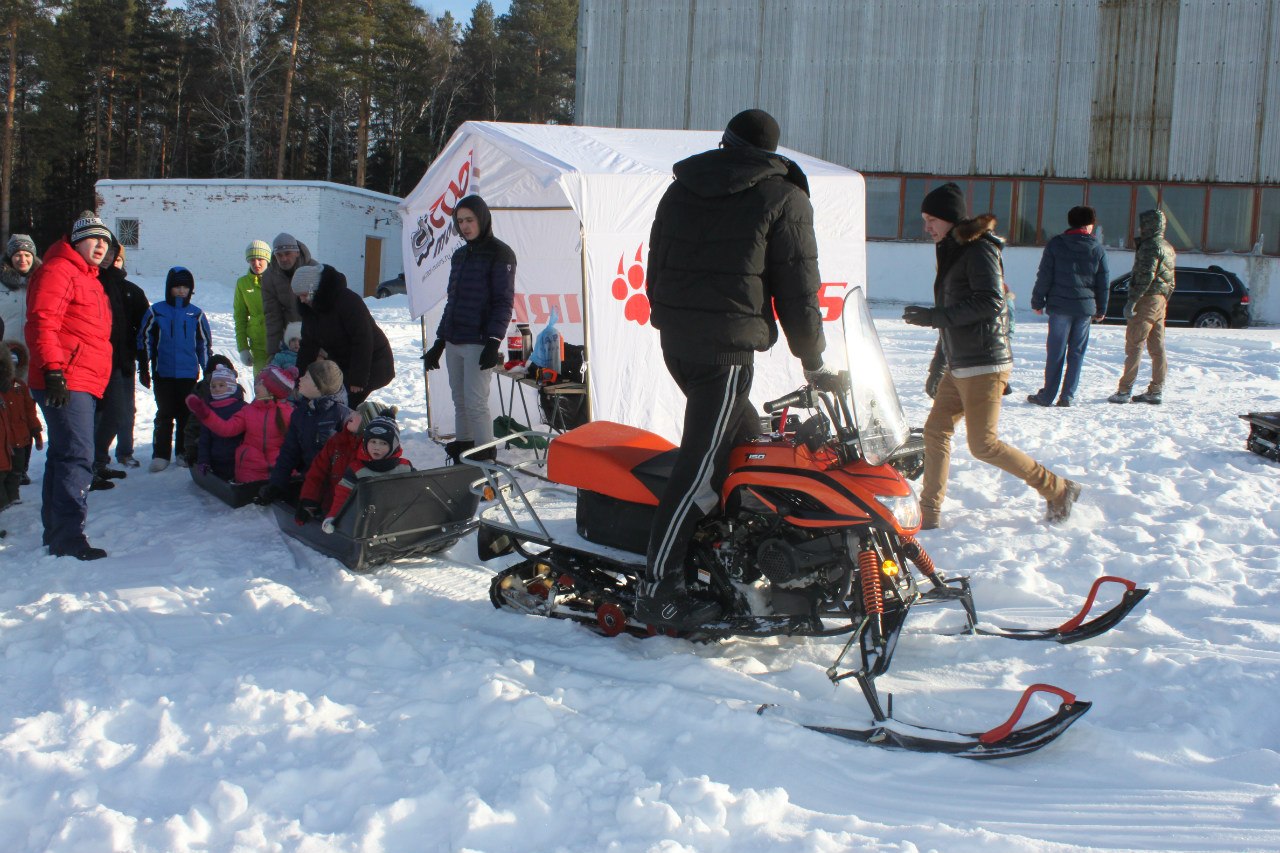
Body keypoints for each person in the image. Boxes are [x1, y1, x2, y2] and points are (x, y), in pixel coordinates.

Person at [633, 108, 835, 630]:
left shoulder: (682, 188)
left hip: (678, 343)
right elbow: (798, 290)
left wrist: (674, 319)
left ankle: (726, 557)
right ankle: (658, 590)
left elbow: (654, 267)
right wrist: (812, 359)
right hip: (724, 355)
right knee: (700, 471)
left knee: (743, 443)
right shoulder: (783, 197)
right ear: (771, 150)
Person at [903, 183, 1080, 530]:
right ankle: (930, 511)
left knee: (983, 444)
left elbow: (990, 301)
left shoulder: (979, 249)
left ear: (950, 219)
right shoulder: (952, 250)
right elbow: (951, 310)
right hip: (961, 363)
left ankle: (1059, 489)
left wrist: (934, 317)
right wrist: (939, 365)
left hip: (985, 363)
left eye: (931, 219)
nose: (926, 227)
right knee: (935, 430)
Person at [25, 211, 115, 560]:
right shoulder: (59, 270)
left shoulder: (89, 278)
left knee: (65, 454)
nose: (101, 245)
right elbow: (42, 321)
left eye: (105, 240)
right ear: (77, 240)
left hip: (81, 378)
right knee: (77, 456)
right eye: (94, 238)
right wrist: (53, 371)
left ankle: (57, 532)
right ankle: (67, 537)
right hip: (65, 378)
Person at [422, 195, 516, 462]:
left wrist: (494, 341)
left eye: (469, 220)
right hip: (454, 340)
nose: (464, 226)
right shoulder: (460, 256)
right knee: (460, 402)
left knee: (476, 403)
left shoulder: (501, 253)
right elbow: (453, 302)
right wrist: (439, 343)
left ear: (482, 219)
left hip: (479, 341)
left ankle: (485, 457)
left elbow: (503, 301)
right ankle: (465, 452)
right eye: (460, 221)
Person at [1027, 206, 1111, 408]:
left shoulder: (1056, 244)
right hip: (1084, 309)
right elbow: (1103, 281)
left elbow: (1044, 274)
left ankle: (1047, 396)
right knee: (1077, 352)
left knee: (1056, 351)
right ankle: (1067, 396)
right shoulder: (1097, 248)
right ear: (1089, 224)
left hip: (1060, 306)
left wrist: (1038, 301)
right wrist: (1102, 308)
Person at [138, 266, 212, 472]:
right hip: (164, 373)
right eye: (177, 287)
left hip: (188, 373)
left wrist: (207, 370)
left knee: (186, 414)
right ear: (169, 288)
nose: (181, 291)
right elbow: (145, 339)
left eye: (185, 287)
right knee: (165, 413)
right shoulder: (157, 311)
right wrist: (144, 364)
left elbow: (203, 343)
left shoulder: (195, 314)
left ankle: (183, 451)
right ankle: (160, 454)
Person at [291, 263, 394, 408]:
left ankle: (359, 425)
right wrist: (298, 377)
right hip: (341, 364)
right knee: (335, 402)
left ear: (315, 290)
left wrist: (357, 378)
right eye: (298, 296)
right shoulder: (310, 308)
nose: (301, 300)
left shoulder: (348, 301)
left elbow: (363, 339)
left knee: (344, 405)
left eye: (304, 295)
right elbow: (308, 345)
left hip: (373, 363)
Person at [1109, 208, 1177, 405]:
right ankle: (1156, 390)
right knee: (1157, 347)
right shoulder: (1168, 247)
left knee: (1135, 345)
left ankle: (1124, 390)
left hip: (1146, 298)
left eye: (1142, 224)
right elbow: (1171, 281)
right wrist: (1164, 299)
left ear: (1148, 225)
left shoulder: (1150, 246)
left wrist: (1133, 300)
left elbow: (1145, 276)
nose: (1139, 228)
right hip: (1160, 300)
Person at [186, 364, 296, 484]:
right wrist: (206, 414)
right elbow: (227, 429)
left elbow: (297, 442)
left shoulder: (288, 413)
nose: (256, 386)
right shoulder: (248, 410)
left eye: (260, 384)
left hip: (280, 468)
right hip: (251, 469)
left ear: (272, 390)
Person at [93, 240, 149, 474]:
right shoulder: (94, 285)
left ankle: (124, 451)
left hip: (123, 360)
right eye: (108, 256)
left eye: (116, 258)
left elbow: (144, 329)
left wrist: (143, 362)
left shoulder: (132, 291)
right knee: (100, 412)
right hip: (96, 361)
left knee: (125, 409)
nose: (111, 261)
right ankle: (98, 457)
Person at [261, 360, 350, 503]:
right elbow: (289, 452)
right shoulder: (301, 413)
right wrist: (276, 484)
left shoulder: (342, 415)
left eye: (307, 377)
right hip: (311, 482)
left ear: (320, 385)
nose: (300, 379)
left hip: (337, 488)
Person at [294, 400, 395, 526]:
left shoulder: (376, 451)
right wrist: (309, 501)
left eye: (358, 413)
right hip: (330, 510)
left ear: (367, 422)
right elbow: (317, 472)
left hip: (365, 517)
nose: (351, 415)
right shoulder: (336, 442)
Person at [318, 415, 412, 534]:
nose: (376, 447)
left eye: (383, 443)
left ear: (393, 446)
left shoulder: (404, 466)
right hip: (366, 524)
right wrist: (333, 517)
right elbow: (342, 496)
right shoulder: (356, 468)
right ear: (366, 442)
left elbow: (419, 490)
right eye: (373, 441)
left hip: (399, 519)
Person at [261, 232, 316, 357]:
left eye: (287, 254)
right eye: (279, 255)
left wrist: (322, 352)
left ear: (297, 252)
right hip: (289, 339)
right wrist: (273, 352)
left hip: (314, 336)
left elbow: (325, 313)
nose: (283, 259)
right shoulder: (269, 277)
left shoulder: (314, 270)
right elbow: (272, 315)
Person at [191, 364, 246, 480]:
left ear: (231, 387)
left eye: (221, 385)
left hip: (239, 459)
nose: (216, 389)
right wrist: (203, 460)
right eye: (213, 386)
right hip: (217, 459)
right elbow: (204, 440)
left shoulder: (242, 407)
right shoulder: (209, 410)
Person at [3, 340, 41, 488]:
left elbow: (30, 410)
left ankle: (15, 488)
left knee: (19, 463)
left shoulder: (20, 386)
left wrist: (36, 430)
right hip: (6, 435)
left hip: (21, 435)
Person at [234, 240, 272, 374]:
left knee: (282, 387)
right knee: (261, 387)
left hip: (280, 344)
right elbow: (240, 316)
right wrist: (243, 348)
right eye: (252, 260)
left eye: (260, 259)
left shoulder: (279, 279)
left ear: (268, 259)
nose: (256, 264)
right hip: (258, 345)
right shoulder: (242, 283)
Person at [1, 234, 40, 344]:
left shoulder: (42, 283)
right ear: (10, 257)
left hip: (34, 349)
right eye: (18, 255)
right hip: (5, 349)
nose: (23, 260)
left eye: (27, 255)